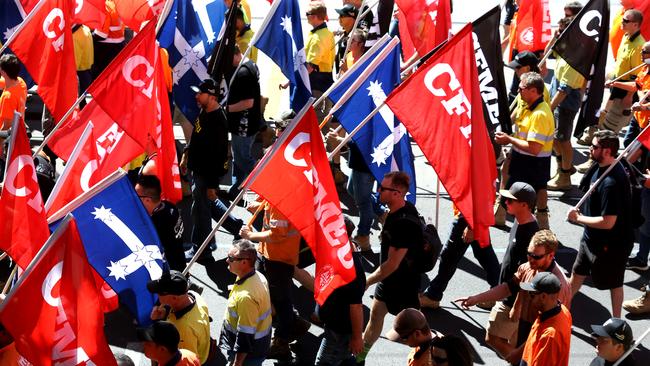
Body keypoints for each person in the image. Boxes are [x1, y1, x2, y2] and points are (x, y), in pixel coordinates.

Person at [455, 230, 571, 364]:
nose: (531, 259)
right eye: (529, 254)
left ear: (551, 255)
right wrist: (476, 298)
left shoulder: (558, 285)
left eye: (536, 256)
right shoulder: (528, 267)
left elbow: (549, 323)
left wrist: (519, 353)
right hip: (525, 327)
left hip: (538, 339)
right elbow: (507, 288)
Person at [356, 171, 423, 365]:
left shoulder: (402, 223)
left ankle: (427, 357)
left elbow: (392, 264)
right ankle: (359, 358)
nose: (378, 191)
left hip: (404, 285)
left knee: (415, 329)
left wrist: (367, 281)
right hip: (388, 282)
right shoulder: (400, 211)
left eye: (383, 188)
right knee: (376, 317)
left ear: (396, 193)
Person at [568, 130, 634, 318]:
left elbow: (608, 222)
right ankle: (562, 311)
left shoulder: (612, 182)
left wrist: (578, 218)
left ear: (607, 151)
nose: (590, 148)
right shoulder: (600, 166)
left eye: (595, 146)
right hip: (590, 238)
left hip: (611, 245)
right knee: (576, 274)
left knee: (614, 283)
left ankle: (616, 322)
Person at [179, 78, 244, 264]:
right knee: (208, 205)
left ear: (213, 97)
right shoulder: (205, 112)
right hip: (196, 170)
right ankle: (237, 228)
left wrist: (212, 184)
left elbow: (221, 156)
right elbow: (196, 136)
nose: (196, 96)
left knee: (200, 211)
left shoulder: (219, 122)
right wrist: (186, 154)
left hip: (205, 174)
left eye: (201, 93)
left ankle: (202, 251)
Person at [239, 199, 310, 360]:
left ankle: (282, 342)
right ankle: (294, 323)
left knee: (281, 300)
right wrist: (261, 206)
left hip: (278, 259)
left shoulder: (283, 200)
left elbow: (277, 233)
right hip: (269, 254)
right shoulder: (278, 195)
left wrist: (251, 235)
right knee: (271, 295)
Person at [577, 9, 645, 153]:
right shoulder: (626, 36)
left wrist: (628, 97)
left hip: (624, 93)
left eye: (626, 20)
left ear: (636, 25)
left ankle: (597, 157)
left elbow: (637, 79)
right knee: (601, 114)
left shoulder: (639, 46)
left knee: (610, 129)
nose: (622, 22)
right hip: (615, 85)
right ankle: (592, 137)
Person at [495, 72, 554, 229]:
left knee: (522, 203)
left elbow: (534, 148)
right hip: (521, 159)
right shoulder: (527, 105)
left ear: (533, 91)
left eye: (522, 88)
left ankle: (534, 230)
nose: (518, 91)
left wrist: (509, 140)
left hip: (533, 164)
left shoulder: (540, 114)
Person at [419, 210, 500, 310]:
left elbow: (477, 198)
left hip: (469, 216)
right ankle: (498, 292)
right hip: (473, 216)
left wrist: (471, 225)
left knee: (449, 256)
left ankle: (433, 295)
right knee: (484, 253)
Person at [315, 216, 365, 365]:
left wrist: (357, 338)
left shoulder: (352, 269)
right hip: (334, 325)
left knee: (324, 363)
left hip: (339, 331)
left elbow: (356, 306)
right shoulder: (340, 253)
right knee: (343, 359)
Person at [546, 16, 585, 191]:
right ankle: (564, 168)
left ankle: (565, 175)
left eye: (562, 32)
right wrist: (555, 38)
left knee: (563, 138)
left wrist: (549, 108)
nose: (559, 34)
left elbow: (565, 89)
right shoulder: (565, 48)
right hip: (556, 100)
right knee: (554, 138)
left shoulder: (577, 56)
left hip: (565, 103)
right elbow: (547, 54)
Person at [219, 240, 272, 366]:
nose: (227, 260)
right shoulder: (257, 276)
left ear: (244, 262)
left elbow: (245, 336)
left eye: (231, 258)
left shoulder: (246, 298)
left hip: (248, 356)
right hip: (259, 346)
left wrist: (237, 363)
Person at [147, 270, 211, 364]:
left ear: (174, 298)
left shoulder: (183, 329)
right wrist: (164, 315)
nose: (157, 295)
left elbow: (184, 360)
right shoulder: (194, 295)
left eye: (160, 293)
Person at [227, 44, 262, 199]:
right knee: (238, 156)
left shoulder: (243, 73)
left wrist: (227, 109)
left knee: (243, 158)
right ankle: (236, 188)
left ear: (235, 55)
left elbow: (248, 102)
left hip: (244, 124)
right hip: (250, 121)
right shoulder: (251, 64)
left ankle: (264, 179)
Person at [518, 272, 572, 366]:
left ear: (543, 296)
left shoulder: (549, 336)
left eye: (532, 294)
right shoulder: (563, 311)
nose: (529, 298)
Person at [136, 175, 186, 272]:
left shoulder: (156, 223)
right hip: (180, 261)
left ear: (147, 200)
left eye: (136, 197)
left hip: (168, 272)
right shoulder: (169, 206)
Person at [499, 182, 539, 284]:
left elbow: (528, 271)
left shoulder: (531, 235)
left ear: (524, 205)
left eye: (510, 200)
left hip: (512, 292)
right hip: (504, 287)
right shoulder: (518, 219)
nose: (506, 202)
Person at [0, 54, 27, 152]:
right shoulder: (21, 82)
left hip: (7, 140)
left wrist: (0, 145)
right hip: (19, 132)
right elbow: (3, 81)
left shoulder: (8, 97)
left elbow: (6, 126)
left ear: (3, 72)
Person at [72, 24, 94, 108]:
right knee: (82, 102)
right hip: (86, 71)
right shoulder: (85, 29)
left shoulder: (75, 36)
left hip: (79, 74)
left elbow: (74, 65)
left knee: (77, 105)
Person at [335, 3, 359, 74]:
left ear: (353, 18)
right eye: (339, 15)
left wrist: (346, 71)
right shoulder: (344, 35)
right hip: (341, 76)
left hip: (350, 77)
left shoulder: (357, 38)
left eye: (342, 15)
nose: (339, 18)